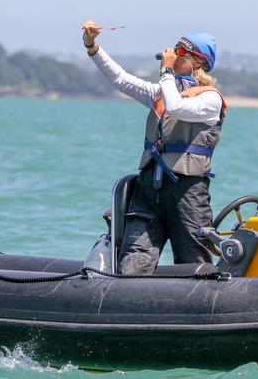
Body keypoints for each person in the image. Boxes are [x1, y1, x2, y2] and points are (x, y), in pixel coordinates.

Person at [82, 20, 227, 275]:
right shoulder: (162, 92)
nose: (173, 56)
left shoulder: (210, 99)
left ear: (200, 62)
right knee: (132, 265)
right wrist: (92, 46)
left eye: (181, 53)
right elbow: (121, 79)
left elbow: (177, 107)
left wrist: (166, 73)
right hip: (149, 190)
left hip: (187, 195)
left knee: (195, 266)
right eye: (175, 50)